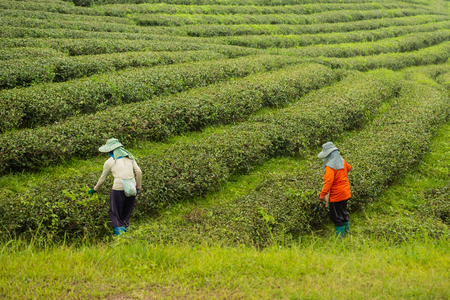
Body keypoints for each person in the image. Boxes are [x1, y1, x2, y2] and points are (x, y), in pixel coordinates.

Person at [88, 138, 142, 236]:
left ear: (111, 150)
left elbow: (102, 178)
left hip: (118, 189)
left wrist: (95, 189)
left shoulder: (110, 162)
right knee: (127, 212)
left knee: (115, 212)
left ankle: (120, 238)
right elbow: (139, 172)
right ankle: (126, 235)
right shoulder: (130, 157)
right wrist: (138, 187)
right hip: (132, 188)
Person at [318, 142, 351, 238]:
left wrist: (322, 194)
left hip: (336, 195)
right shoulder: (342, 161)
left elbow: (328, 182)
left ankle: (340, 239)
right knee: (343, 213)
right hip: (346, 193)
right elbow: (349, 168)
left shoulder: (330, 167)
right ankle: (346, 235)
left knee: (336, 217)